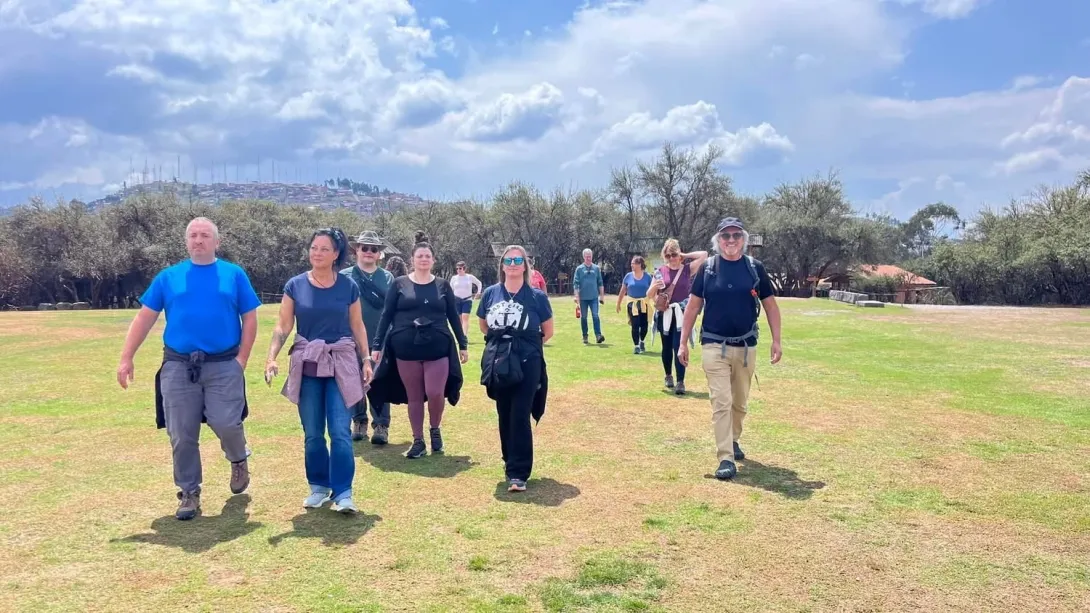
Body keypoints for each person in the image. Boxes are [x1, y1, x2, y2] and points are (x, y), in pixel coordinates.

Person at [116, 217, 260, 521]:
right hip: (179, 365)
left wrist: (242, 361)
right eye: (193, 235)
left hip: (224, 363)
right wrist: (126, 357)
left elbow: (249, 317)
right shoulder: (169, 277)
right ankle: (189, 493)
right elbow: (145, 318)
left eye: (205, 235)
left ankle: (238, 458)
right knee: (181, 433)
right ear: (186, 242)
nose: (199, 240)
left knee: (226, 423)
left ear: (216, 242)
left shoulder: (233, 275)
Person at [265, 228, 373, 514]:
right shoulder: (295, 285)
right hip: (308, 365)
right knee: (312, 432)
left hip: (341, 363)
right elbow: (283, 325)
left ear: (336, 254)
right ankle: (319, 487)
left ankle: (344, 493)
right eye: (314, 247)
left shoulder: (348, 286)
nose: (317, 253)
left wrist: (366, 359)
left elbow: (357, 325)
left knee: (340, 431)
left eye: (324, 249)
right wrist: (271, 357)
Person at [679, 217, 781, 481]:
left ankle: (733, 438)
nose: (731, 240)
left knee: (740, 402)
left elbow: (770, 306)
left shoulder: (755, 269)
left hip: (746, 345)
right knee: (721, 402)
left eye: (736, 235)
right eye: (726, 236)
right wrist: (682, 342)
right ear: (718, 241)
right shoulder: (708, 269)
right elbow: (692, 307)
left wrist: (776, 340)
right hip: (714, 344)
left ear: (743, 239)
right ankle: (725, 457)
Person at [368, 232, 469, 459]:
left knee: (435, 392)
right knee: (414, 396)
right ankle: (418, 441)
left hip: (438, 346)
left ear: (433, 260)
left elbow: (453, 316)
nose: (423, 259)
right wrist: (377, 345)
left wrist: (463, 344)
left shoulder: (443, 285)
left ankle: (435, 430)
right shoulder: (399, 284)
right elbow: (386, 315)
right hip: (406, 348)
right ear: (412, 259)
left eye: (427, 256)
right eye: (419, 256)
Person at [478, 245, 553, 492]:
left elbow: (548, 331)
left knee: (520, 412)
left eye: (518, 260)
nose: (513, 263)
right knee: (504, 412)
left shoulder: (537, 296)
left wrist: (525, 348)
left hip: (527, 361)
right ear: (502, 265)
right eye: (508, 260)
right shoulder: (490, 294)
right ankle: (509, 460)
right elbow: (483, 326)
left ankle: (519, 472)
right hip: (500, 360)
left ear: (525, 265)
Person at [340, 231, 394, 444]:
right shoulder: (344, 276)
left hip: (379, 339)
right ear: (356, 250)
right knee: (353, 380)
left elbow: (392, 309)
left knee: (379, 381)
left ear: (379, 253)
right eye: (365, 248)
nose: (369, 252)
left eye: (374, 249)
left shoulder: (387, 278)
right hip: (349, 338)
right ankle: (359, 420)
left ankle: (381, 425)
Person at [647, 239, 708, 395]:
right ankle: (668, 375)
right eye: (668, 255)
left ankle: (681, 381)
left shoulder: (687, 269)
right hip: (664, 314)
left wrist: (685, 255)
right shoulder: (660, 271)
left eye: (674, 254)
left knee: (679, 346)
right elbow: (649, 295)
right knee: (666, 347)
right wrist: (655, 289)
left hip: (681, 314)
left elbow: (704, 255)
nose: (672, 258)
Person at [616, 255, 653, 354]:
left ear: (640, 264)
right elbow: (623, 290)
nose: (632, 265)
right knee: (635, 325)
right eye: (631, 263)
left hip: (644, 303)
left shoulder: (648, 276)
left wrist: (656, 301)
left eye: (634, 263)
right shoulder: (628, 276)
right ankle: (636, 345)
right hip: (632, 304)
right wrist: (618, 303)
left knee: (644, 325)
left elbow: (653, 290)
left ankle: (642, 341)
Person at [573, 248, 605, 344]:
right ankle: (585, 336)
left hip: (594, 298)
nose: (588, 258)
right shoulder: (579, 269)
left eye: (590, 256)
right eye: (587, 256)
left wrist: (602, 296)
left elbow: (600, 283)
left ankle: (598, 335)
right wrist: (576, 296)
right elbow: (576, 284)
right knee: (584, 317)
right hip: (583, 298)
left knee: (595, 316)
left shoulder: (596, 268)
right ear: (583, 257)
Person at [450, 261, 483, 337]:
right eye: (457, 269)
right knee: (459, 319)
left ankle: (464, 335)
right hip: (457, 300)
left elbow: (479, 283)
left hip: (467, 300)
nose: (458, 270)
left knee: (465, 317)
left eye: (460, 268)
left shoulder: (469, 277)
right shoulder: (454, 278)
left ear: (464, 269)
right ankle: (459, 335)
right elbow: (450, 289)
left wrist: (478, 292)